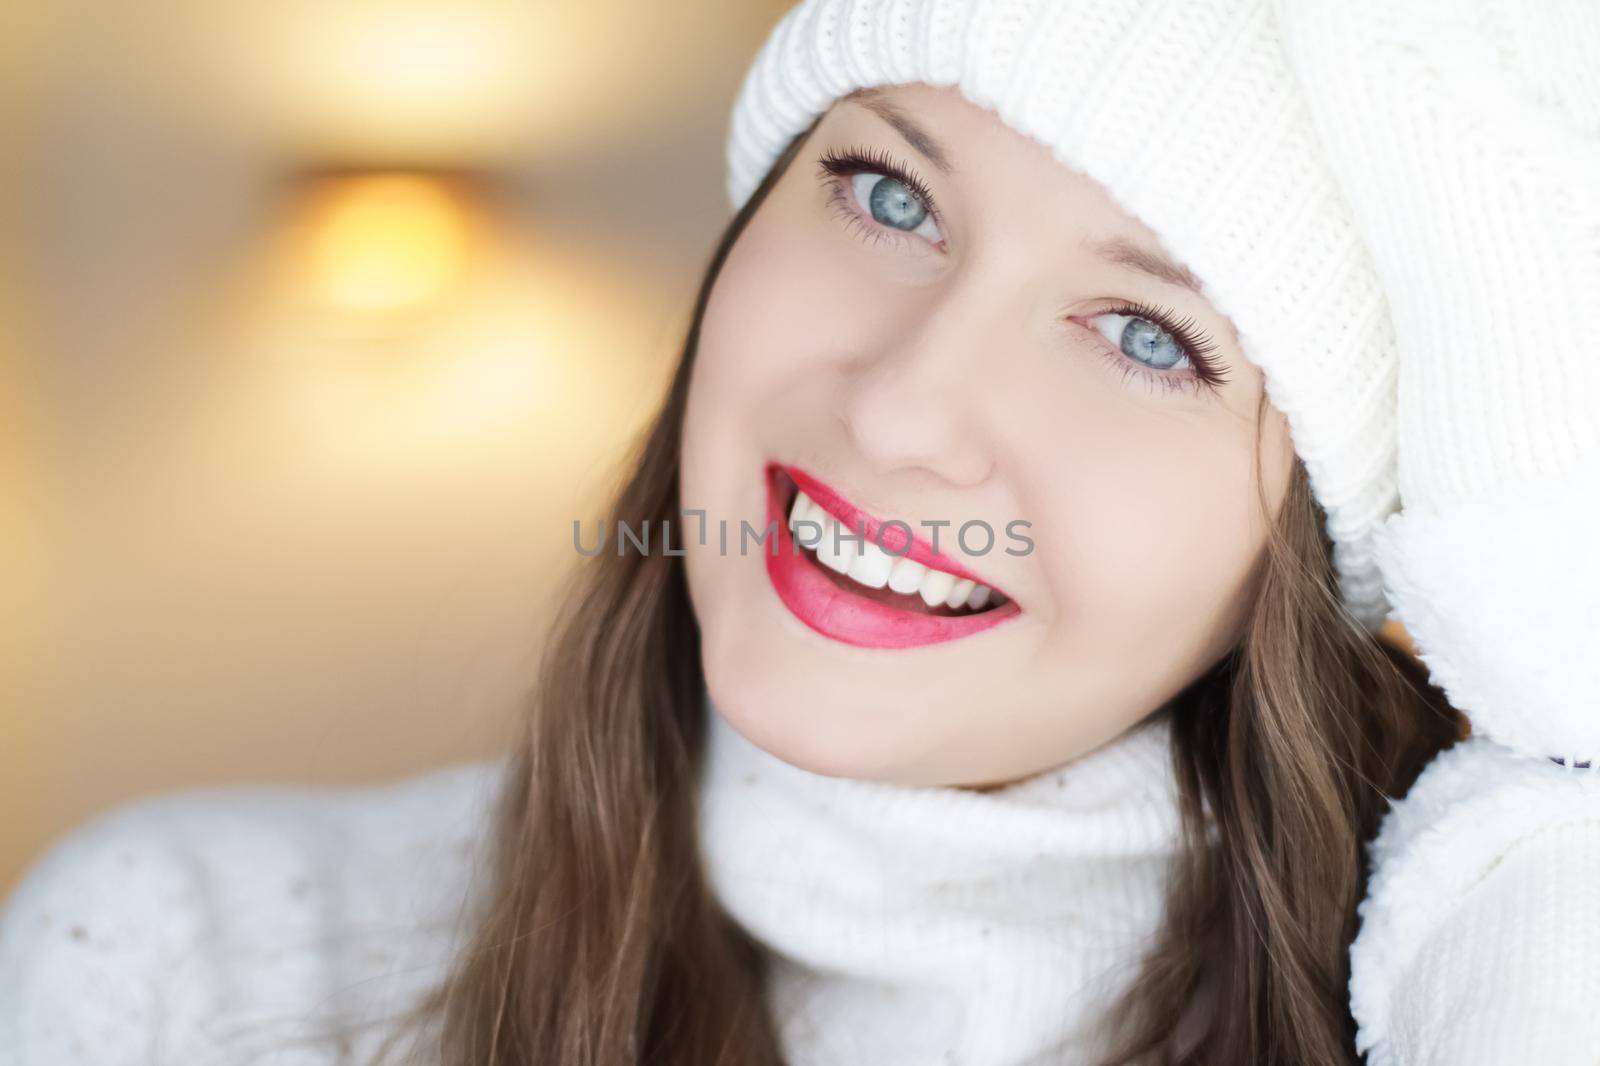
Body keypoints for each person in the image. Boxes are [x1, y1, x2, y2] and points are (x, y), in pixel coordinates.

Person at [2, 1, 1595, 1064]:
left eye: (1145, 335)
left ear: (1317, 557)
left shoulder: (1499, 1001)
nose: (903, 411)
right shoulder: (184, 968)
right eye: (890, 196)